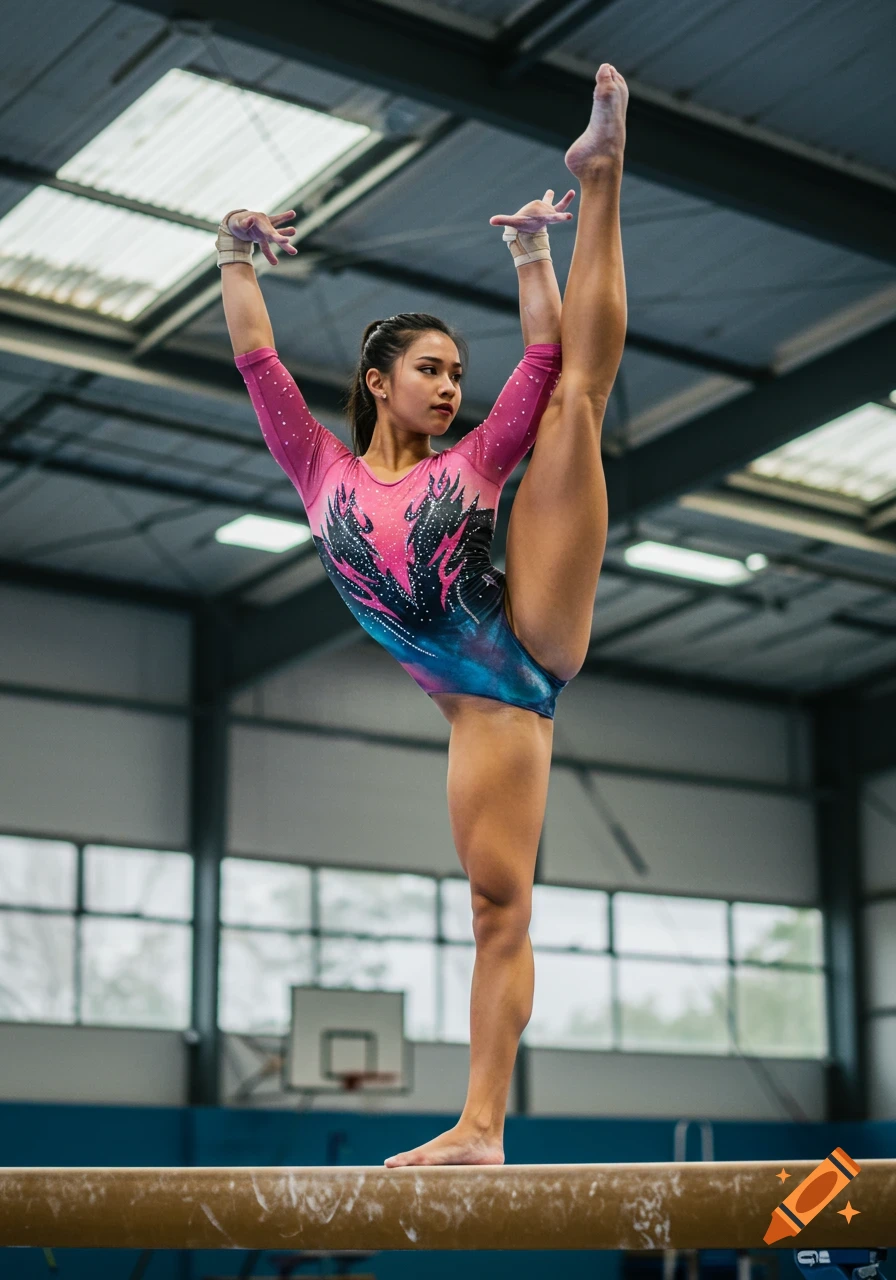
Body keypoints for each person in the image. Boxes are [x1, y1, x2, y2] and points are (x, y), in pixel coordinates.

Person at [219, 64, 628, 1167]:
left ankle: (602, 173)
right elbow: (257, 361)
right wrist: (231, 251)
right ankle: (480, 1129)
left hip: (522, 631)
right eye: (431, 371)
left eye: (456, 371)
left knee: (574, 406)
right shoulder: (320, 476)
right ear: (378, 377)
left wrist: (530, 253)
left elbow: (545, 361)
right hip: (477, 708)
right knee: (496, 909)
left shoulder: (471, 463)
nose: (451, 388)